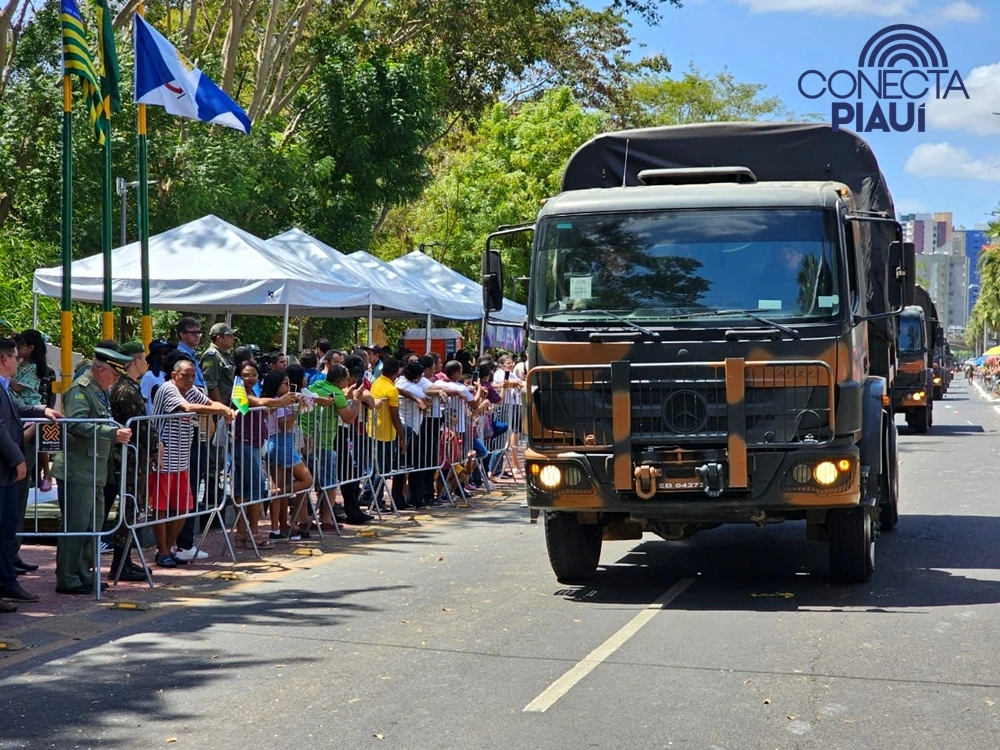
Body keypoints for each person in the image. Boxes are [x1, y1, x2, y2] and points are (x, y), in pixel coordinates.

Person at [50, 348, 133, 595]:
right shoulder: (81, 390)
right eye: (113, 374)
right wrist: (111, 433)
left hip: (94, 468)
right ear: (100, 370)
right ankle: (67, 577)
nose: (115, 380)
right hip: (78, 469)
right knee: (76, 526)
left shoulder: (98, 391)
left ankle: (84, 573)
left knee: (92, 526)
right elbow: (75, 423)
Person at [0, 338, 62, 610]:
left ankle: (7, 581)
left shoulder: (5, 388)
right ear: (4, 359)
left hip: (6, 471)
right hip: (5, 467)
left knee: (8, 528)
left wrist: (41, 409)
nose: (18, 361)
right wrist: (18, 458)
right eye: (14, 357)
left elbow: (17, 411)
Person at [108, 341, 158, 582]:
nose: (146, 365)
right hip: (128, 458)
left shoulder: (127, 386)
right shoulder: (126, 389)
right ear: (136, 361)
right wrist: (156, 447)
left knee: (131, 509)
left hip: (131, 456)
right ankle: (121, 563)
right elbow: (140, 423)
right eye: (144, 360)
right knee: (130, 509)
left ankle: (124, 560)